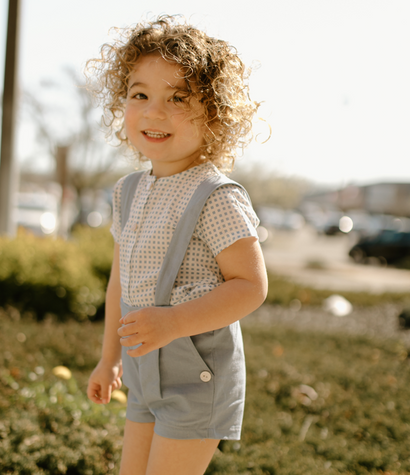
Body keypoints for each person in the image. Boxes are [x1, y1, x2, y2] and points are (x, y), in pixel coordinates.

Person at [86, 15, 268, 475]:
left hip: (196, 377)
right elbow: (119, 284)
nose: (154, 111)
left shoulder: (216, 195)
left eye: (178, 98)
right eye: (140, 94)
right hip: (144, 371)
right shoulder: (127, 191)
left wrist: (173, 323)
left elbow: (250, 286)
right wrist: (109, 360)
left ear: (216, 112)